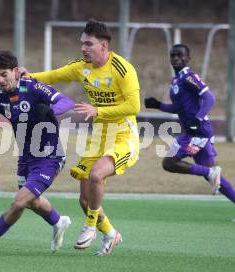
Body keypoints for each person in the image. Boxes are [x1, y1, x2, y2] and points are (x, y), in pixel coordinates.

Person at [21, 19, 140, 256]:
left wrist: (99, 111)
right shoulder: (81, 67)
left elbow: (134, 106)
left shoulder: (122, 69)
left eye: (89, 44)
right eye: (82, 44)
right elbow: (54, 75)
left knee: (96, 175)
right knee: (85, 201)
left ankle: (89, 226)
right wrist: (29, 76)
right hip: (98, 137)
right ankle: (110, 234)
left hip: (123, 135)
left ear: (104, 46)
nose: (83, 48)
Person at [0, 50, 74, 255]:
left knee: (19, 201)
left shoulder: (33, 87)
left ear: (15, 71)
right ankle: (59, 222)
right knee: (31, 201)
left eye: (4, 74)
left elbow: (67, 102)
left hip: (50, 155)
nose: (0, 80)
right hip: (26, 157)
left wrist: (50, 111)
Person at [145, 44, 235, 203]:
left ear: (188, 58)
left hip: (196, 132)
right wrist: (158, 105)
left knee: (169, 162)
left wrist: (196, 120)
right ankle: (210, 173)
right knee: (213, 176)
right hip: (199, 132)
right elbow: (179, 108)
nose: (176, 58)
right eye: (173, 55)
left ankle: (208, 172)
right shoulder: (176, 80)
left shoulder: (188, 77)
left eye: (180, 55)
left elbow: (210, 98)